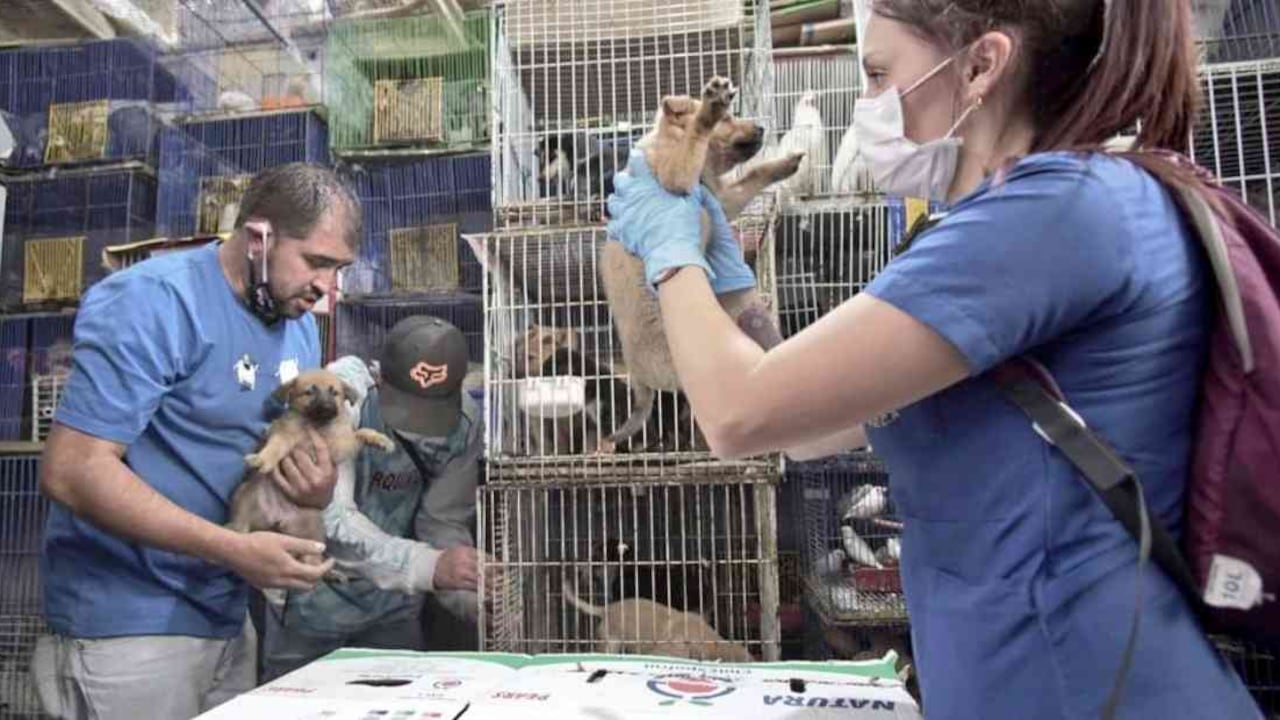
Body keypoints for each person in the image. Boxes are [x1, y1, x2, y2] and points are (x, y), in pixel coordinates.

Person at [604, 2, 1264, 719]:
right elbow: (801, 430)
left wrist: (670, 249)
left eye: (877, 74)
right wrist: (731, 280)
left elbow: (737, 413)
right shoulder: (1043, 214)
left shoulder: (1051, 216)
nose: (866, 106)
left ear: (981, 66)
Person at [31, 163, 361, 720]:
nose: (327, 287)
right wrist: (231, 548)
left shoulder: (298, 324)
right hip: (130, 626)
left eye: (339, 269)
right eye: (316, 262)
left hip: (228, 613)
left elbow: (289, 447)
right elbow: (72, 470)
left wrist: (316, 490)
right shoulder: (154, 301)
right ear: (259, 238)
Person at [257, 315, 484, 682]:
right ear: (380, 378)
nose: (418, 426)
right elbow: (331, 517)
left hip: (395, 605)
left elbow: (442, 519)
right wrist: (429, 565)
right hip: (312, 598)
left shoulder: (465, 423)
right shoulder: (340, 399)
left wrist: (472, 595)